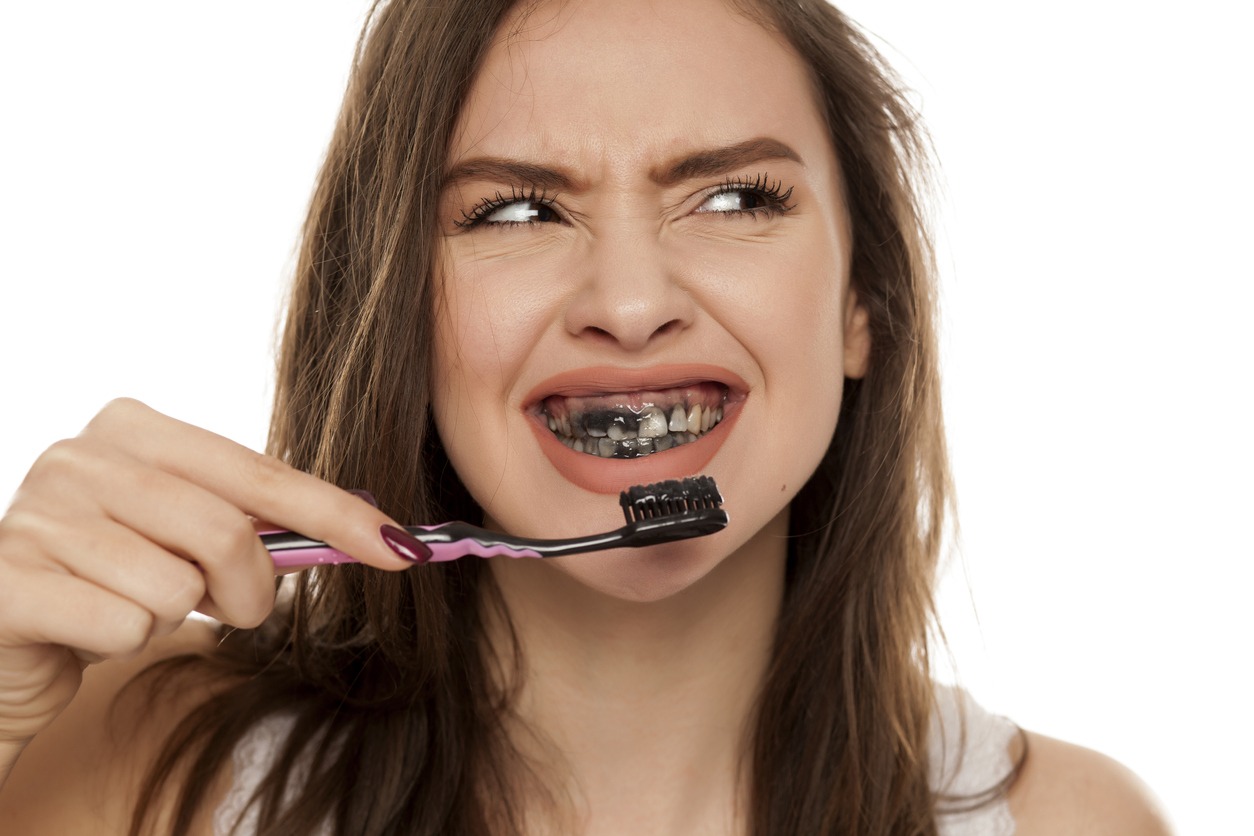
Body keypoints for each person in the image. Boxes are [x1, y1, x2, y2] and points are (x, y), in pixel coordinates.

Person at [0, 0, 1172, 833]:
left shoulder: (1071, 823)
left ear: (862, 303)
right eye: (514, 212)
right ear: (401, 303)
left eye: (731, 197)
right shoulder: (129, 763)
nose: (628, 303)